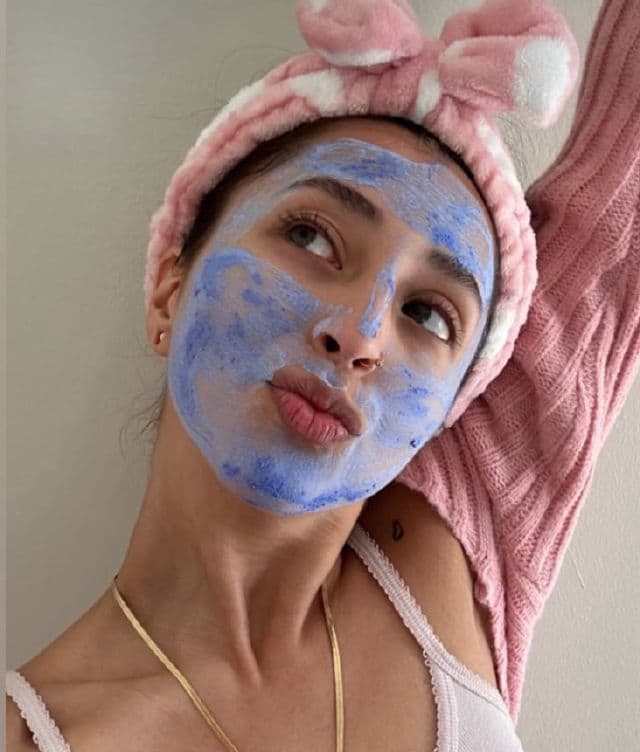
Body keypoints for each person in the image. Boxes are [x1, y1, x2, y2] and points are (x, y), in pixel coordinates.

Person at [5, 0, 638, 749]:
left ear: (450, 407)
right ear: (169, 286)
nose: (360, 333)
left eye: (429, 314)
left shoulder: (463, 536)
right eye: (311, 237)